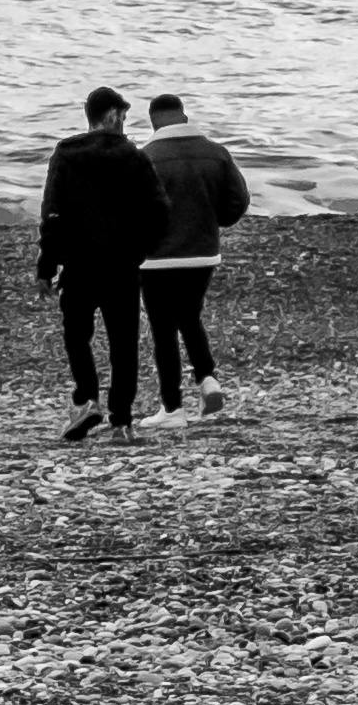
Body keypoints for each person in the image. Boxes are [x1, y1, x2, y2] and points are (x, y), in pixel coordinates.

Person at [34, 85, 168, 441]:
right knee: (123, 343)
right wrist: (141, 250)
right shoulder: (133, 156)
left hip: (78, 263)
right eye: (122, 116)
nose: (124, 122)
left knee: (77, 335)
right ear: (111, 115)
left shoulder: (66, 154)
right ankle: (121, 420)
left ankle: (86, 399)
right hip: (122, 264)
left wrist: (47, 266)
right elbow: (159, 210)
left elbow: (52, 214)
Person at [136, 90, 250, 419]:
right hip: (202, 253)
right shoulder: (216, 153)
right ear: (184, 117)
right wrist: (214, 221)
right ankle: (207, 378)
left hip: (156, 258)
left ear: (153, 123)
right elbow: (238, 200)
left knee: (163, 329)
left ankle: (172, 408)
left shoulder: (146, 158)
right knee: (189, 316)